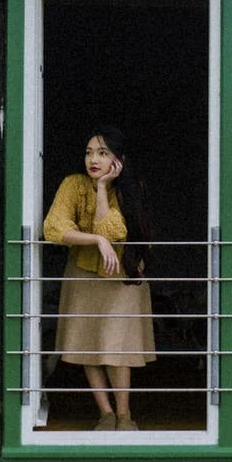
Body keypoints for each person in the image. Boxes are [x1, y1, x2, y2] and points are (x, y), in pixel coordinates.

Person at [42, 125, 156, 431]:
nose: (93, 159)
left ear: (119, 160)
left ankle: (124, 415)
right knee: (88, 343)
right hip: (83, 273)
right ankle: (105, 413)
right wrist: (95, 241)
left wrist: (104, 188)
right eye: (89, 152)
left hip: (122, 275)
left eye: (103, 153)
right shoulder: (73, 184)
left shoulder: (131, 189)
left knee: (118, 346)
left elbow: (111, 231)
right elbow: (53, 227)